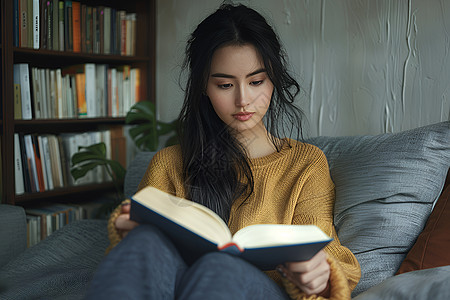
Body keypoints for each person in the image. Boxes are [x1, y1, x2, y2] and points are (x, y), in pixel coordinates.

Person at [86, 3, 360, 299]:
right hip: (179, 286)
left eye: (256, 81)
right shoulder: (169, 163)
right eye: (225, 85)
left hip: (257, 290)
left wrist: (320, 276)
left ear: (274, 79)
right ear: (204, 86)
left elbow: (326, 250)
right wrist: (128, 229)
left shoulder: (305, 164)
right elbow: (143, 262)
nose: (243, 100)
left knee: (221, 265)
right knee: (147, 242)